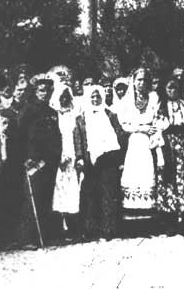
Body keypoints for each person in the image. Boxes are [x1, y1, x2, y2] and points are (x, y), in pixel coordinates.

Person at [16, 73, 62, 246]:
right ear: (35, 91)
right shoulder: (27, 110)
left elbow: (56, 137)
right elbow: (18, 138)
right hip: (33, 161)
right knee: (32, 198)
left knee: (45, 198)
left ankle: (45, 235)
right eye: (41, 90)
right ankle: (27, 239)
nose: (45, 94)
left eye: (47, 91)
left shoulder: (51, 112)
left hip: (49, 162)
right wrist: (24, 158)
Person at [118, 68, 164, 221]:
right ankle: (132, 216)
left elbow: (157, 118)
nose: (142, 83)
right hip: (135, 140)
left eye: (145, 80)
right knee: (134, 174)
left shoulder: (153, 97)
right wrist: (141, 128)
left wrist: (153, 131)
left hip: (149, 142)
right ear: (133, 81)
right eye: (139, 80)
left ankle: (149, 216)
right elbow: (124, 123)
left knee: (148, 173)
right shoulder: (126, 100)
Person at [78, 85, 124, 241]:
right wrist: (79, 157)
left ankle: (109, 229)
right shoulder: (82, 118)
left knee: (108, 194)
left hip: (109, 158)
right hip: (90, 160)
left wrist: (119, 158)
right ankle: (90, 229)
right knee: (91, 194)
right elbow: (78, 139)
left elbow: (119, 135)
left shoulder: (110, 115)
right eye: (92, 97)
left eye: (98, 97)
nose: (95, 100)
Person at [155, 78, 184, 230]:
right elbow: (159, 126)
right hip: (167, 145)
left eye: (175, 88)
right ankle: (169, 219)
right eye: (169, 88)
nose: (172, 91)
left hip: (183, 144)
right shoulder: (161, 106)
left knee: (183, 179)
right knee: (168, 179)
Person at [50, 85, 84, 241]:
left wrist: (77, 156)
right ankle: (59, 229)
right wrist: (59, 155)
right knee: (59, 192)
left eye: (66, 96)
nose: (64, 99)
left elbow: (77, 136)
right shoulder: (54, 115)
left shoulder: (74, 114)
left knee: (73, 191)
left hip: (73, 156)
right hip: (59, 157)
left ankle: (73, 228)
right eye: (61, 97)